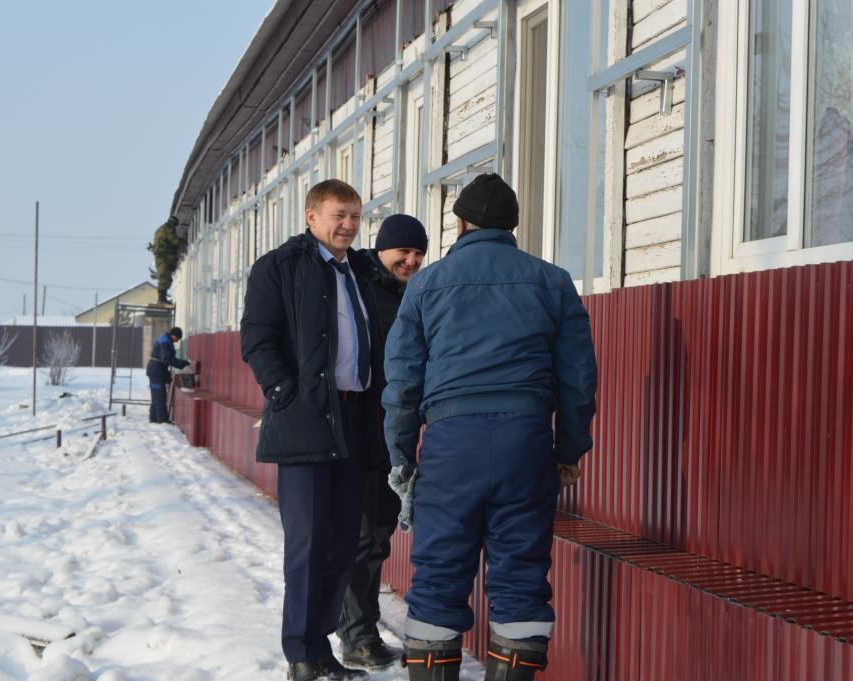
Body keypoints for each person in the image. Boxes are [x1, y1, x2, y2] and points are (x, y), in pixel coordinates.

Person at [382, 174, 597, 681]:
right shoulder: (553, 282)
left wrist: (402, 459)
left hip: (450, 445)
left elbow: (403, 383)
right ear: (511, 227)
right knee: (520, 576)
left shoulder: (425, 286)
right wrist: (568, 451)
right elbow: (578, 379)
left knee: (438, 575)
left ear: (460, 224)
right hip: (525, 443)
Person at [241, 179, 379, 681]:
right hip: (304, 420)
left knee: (342, 543)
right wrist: (285, 392)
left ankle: (321, 649)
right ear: (311, 216)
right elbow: (257, 339)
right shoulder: (279, 266)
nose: (349, 225)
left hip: (354, 421)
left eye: (355, 216)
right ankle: (300, 653)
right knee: (308, 544)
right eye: (339, 215)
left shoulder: (359, 271)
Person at [337, 214, 428, 671]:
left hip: (392, 435)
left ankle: (359, 631)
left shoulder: (412, 293)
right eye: (402, 252)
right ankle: (357, 636)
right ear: (381, 248)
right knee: (362, 537)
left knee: (377, 535)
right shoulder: (359, 286)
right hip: (358, 430)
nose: (410, 260)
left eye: (418, 254)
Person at [146, 326, 189, 424]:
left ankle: (154, 419)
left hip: (156, 370)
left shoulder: (165, 340)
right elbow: (166, 359)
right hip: (156, 371)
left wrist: (166, 375)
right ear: (174, 335)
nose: (177, 341)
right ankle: (162, 421)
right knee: (160, 396)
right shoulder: (165, 342)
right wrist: (181, 363)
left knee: (156, 396)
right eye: (177, 338)